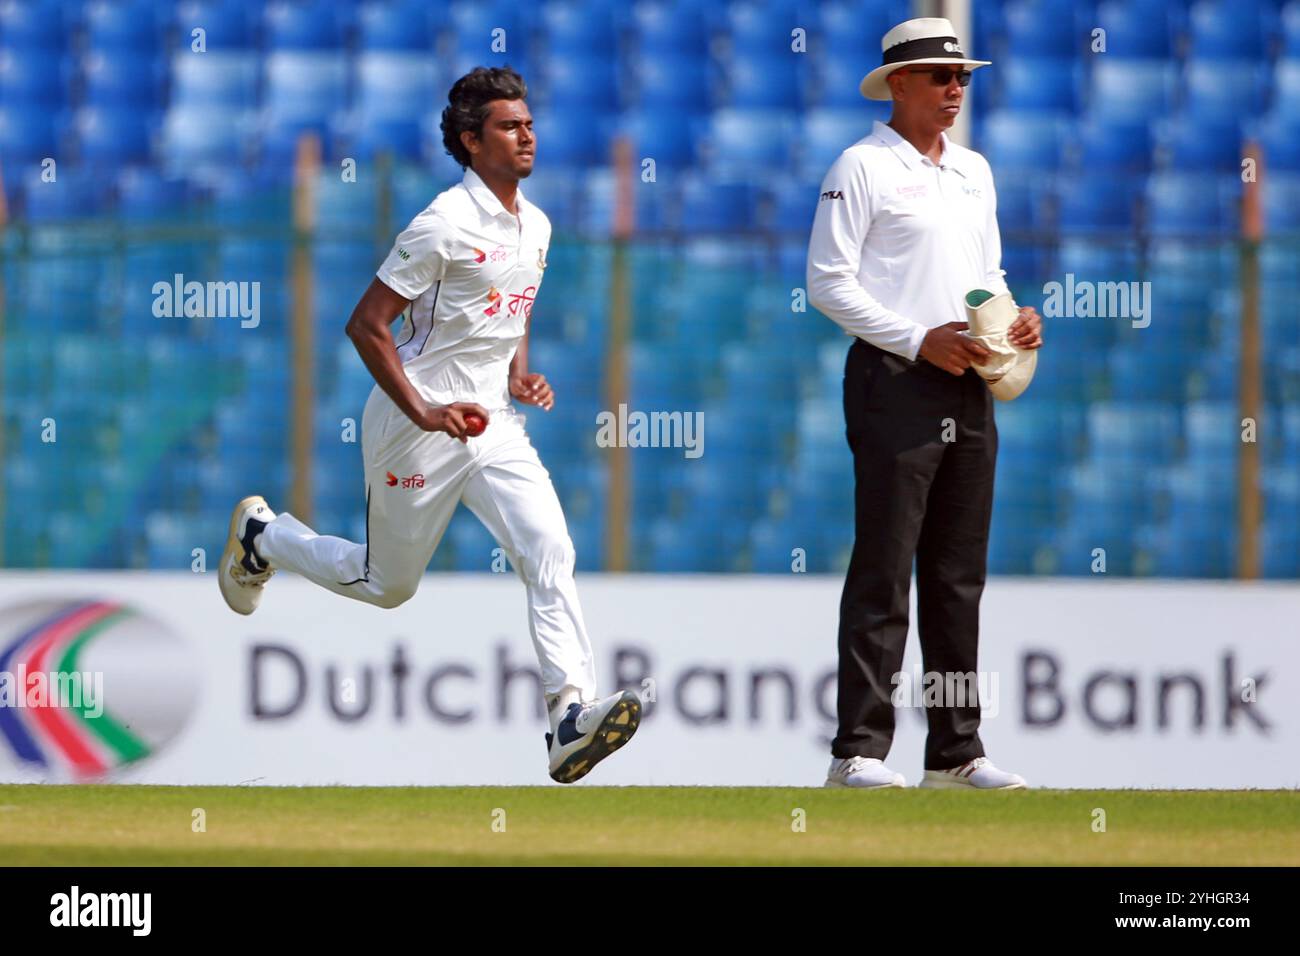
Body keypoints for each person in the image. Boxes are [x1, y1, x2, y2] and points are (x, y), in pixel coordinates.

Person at [217, 66, 640, 784]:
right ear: (473, 142)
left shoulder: (534, 223)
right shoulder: (442, 222)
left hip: (491, 424)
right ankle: (266, 538)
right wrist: (425, 410)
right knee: (388, 585)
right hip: (413, 424)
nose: (527, 134)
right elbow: (367, 325)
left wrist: (513, 372)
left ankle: (568, 716)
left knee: (548, 547)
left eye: (529, 122)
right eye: (509, 126)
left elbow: (511, 307)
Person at [807, 19, 1043, 790]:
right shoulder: (862, 165)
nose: (955, 89)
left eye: (963, 77)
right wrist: (917, 340)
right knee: (884, 567)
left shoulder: (974, 170)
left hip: (969, 382)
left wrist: (1014, 322)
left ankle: (954, 754)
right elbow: (827, 282)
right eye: (941, 76)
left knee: (956, 575)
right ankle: (859, 753)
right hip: (894, 381)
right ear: (898, 83)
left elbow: (988, 275)